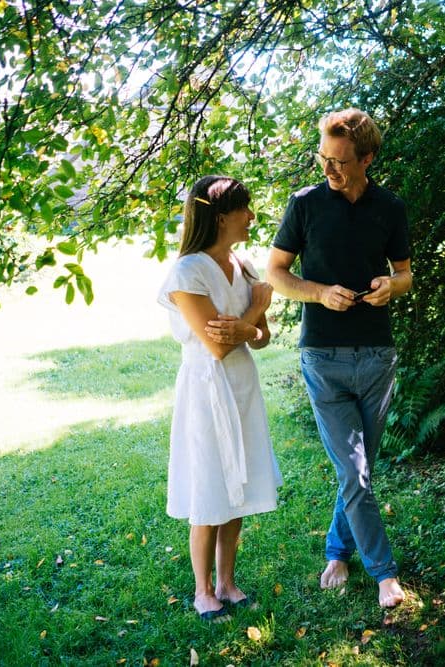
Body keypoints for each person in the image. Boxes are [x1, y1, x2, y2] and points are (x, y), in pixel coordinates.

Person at [266, 107, 411, 608]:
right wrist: (320, 293)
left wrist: (392, 285)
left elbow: (406, 274)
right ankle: (384, 574)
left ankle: (336, 551)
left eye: (340, 161)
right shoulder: (305, 204)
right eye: (323, 158)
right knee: (354, 472)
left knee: (360, 470)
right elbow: (276, 273)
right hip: (323, 356)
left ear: (367, 159)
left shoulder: (390, 207)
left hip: (376, 357)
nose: (328, 169)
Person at [156, 175, 282, 621]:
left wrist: (248, 326)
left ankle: (227, 582)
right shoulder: (187, 272)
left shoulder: (243, 264)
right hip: (206, 390)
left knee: (238, 485)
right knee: (209, 484)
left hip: (242, 385)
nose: (252, 217)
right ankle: (202, 590)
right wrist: (255, 312)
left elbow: (262, 339)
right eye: (245, 209)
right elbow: (216, 345)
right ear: (222, 217)